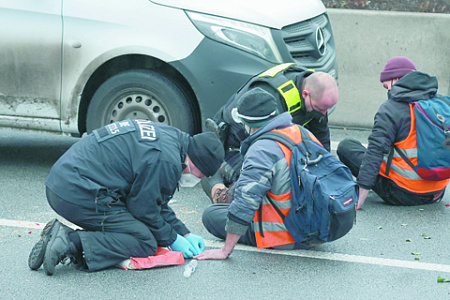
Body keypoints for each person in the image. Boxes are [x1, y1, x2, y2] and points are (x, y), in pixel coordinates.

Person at [28, 119, 224, 275]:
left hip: (66, 182)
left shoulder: (172, 139)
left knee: (140, 229)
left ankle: (60, 239)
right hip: (76, 192)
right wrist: (172, 238)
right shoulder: (166, 160)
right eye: (201, 175)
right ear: (196, 163)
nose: (198, 180)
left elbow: (154, 198)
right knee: (144, 241)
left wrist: (184, 232)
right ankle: (69, 241)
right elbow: (143, 209)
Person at [194, 88, 325, 260]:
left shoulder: (261, 149)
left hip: (288, 235)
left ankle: (220, 193)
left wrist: (225, 251)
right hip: (318, 227)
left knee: (211, 215)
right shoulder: (302, 132)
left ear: (248, 123)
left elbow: (245, 202)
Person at [202, 63, 339, 203]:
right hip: (235, 145)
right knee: (261, 183)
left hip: (265, 140)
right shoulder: (272, 100)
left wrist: (323, 173)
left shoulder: (314, 92)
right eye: (320, 108)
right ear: (305, 94)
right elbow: (264, 155)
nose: (323, 113)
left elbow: (321, 139)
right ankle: (218, 186)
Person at [337, 56, 449, 209]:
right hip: (437, 192)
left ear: (396, 79)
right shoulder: (442, 104)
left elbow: (375, 151)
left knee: (347, 146)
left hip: (403, 193)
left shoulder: (391, 109)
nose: (388, 91)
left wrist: (360, 195)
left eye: (386, 86)